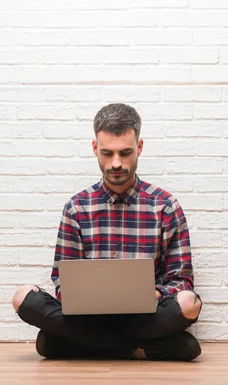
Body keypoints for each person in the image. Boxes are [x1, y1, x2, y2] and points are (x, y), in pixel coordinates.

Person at [11, 103, 203, 361]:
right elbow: (62, 282)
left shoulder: (165, 206)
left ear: (140, 148)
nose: (116, 163)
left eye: (125, 153)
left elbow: (182, 280)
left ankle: (89, 344)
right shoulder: (76, 208)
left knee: (189, 303)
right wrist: (85, 297)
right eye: (107, 153)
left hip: (145, 316)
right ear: (95, 149)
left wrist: (153, 294)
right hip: (89, 317)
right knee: (23, 298)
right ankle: (136, 348)